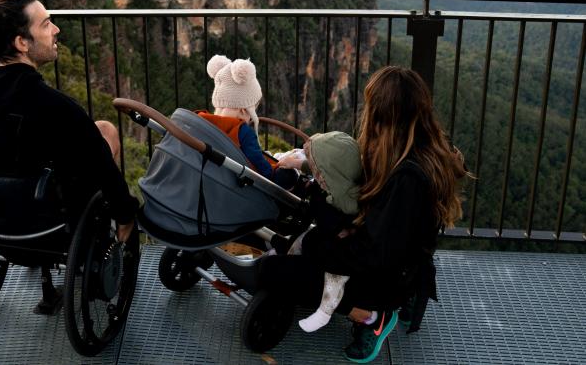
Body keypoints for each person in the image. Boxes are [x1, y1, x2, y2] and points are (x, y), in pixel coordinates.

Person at [257, 66, 468, 363]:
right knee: (309, 245)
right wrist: (312, 170)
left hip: (386, 273)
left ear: (382, 115)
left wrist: (324, 229)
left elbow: (376, 254)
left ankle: (371, 315)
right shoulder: (410, 151)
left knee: (272, 270)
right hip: (393, 258)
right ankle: (387, 299)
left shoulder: (408, 179)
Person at [0, 0, 138, 242]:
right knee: (105, 131)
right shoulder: (57, 107)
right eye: (46, 24)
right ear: (22, 43)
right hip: (49, 228)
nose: (56, 30)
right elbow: (103, 171)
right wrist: (126, 213)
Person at [278, 131, 362, 333]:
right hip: (323, 234)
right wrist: (296, 163)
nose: (317, 175)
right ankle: (287, 259)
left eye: (319, 171)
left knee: (334, 275)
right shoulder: (334, 178)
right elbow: (322, 167)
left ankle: (325, 311)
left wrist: (349, 229)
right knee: (303, 241)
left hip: (340, 247)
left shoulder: (348, 199)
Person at [196, 54, 275, 178]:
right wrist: (273, 174)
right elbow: (258, 161)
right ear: (244, 110)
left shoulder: (200, 121)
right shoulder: (243, 132)